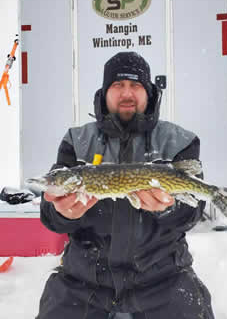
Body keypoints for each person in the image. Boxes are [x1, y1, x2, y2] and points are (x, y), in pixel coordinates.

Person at [36, 51, 215, 319]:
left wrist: (168, 208)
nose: (127, 93)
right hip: (83, 280)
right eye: (118, 85)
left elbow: (191, 214)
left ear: (149, 93)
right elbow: (51, 214)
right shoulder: (76, 140)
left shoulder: (179, 141)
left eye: (136, 85)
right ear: (105, 92)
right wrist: (62, 213)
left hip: (163, 278)